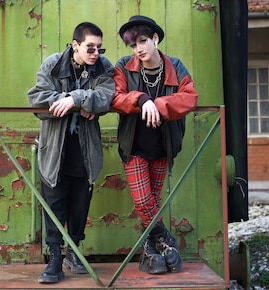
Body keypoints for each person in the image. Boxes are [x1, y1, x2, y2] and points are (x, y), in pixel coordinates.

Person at [27, 22, 115, 284]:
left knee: (80, 203)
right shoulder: (53, 64)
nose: (96, 52)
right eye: (90, 47)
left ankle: (73, 252)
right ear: (75, 45)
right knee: (54, 203)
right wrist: (75, 99)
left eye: (99, 47)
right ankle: (55, 258)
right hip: (55, 148)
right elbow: (37, 100)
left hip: (85, 150)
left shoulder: (103, 66)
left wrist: (75, 99)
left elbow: (107, 96)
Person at [110, 15, 198, 275]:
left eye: (143, 41)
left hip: (163, 148)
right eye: (133, 44)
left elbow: (190, 98)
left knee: (153, 203)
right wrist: (141, 99)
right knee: (143, 203)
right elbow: (115, 98)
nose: (139, 48)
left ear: (155, 39)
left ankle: (151, 251)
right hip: (134, 147)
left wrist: (158, 104)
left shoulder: (176, 67)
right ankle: (165, 239)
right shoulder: (125, 66)